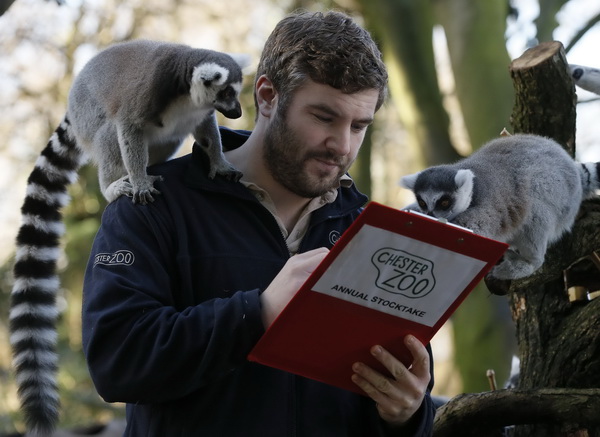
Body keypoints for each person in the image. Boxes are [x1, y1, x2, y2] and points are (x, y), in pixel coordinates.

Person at [82, 9, 436, 436]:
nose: (341, 145)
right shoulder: (153, 205)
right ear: (266, 97)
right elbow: (116, 360)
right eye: (324, 117)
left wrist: (407, 414)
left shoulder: (372, 235)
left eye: (359, 125)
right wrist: (258, 312)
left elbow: (381, 401)